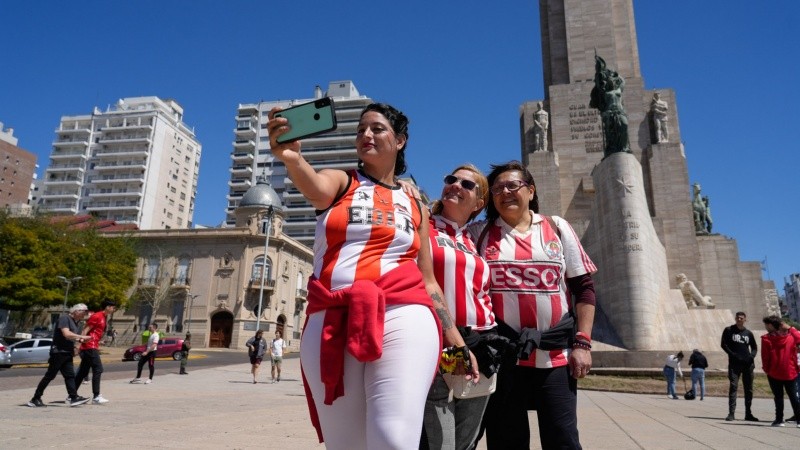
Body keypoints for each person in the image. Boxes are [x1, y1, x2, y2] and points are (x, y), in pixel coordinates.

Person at [268, 102, 476, 449]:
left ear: (400, 141)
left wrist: (455, 339)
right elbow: (315, 186)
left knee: (393, 439)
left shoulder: (415, 205)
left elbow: (428, 280)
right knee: (346, 443)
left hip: (404, 312)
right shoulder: (342, 180)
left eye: (377, 128)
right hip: (332, 317)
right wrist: (291, 158)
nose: (366, 134)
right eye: (361, 129)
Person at [468, 161, 597, 449]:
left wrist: (583, 343)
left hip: (555, 358)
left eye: (512, 185)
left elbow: (584, 289)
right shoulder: (479, 233)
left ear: (530, 190)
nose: (505, 192)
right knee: (506, 441)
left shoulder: (557, 227)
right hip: (504, 361)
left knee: (562, 439)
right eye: (498, 188)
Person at [420, 164, 498, 450]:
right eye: (452, 179)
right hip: (441, 345)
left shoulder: (473, 238)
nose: (456, 185)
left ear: (479, 203)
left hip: (481, 344)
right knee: (441, 443)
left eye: (467, 184)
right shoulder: (422, 223)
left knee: (467, 443)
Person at [27, 304, 92, 407]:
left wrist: (80, 340)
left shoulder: (76, 322)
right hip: (58, 352)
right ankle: (35, 398)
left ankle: (73, 397)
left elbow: (70, 337)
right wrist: (81, 336)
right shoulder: (64, 318)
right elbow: (66, 334)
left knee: (70, 376)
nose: (84, 315)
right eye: (84, 312)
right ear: (76, 311)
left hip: (67, 352)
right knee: (50, 376)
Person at [75, 299, 117, 404]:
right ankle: (96, 396)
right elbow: (85, 330)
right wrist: (78, 345)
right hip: (89, 347)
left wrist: (99, 341)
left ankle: (72, 394)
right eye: (113, 307)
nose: (114, 309)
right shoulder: (97, 316)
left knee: (83, 372)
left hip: (92, 345)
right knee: (98, 369)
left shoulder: (104, 317)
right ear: (107, 307)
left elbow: (94, 332)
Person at [760, 315, 800, 427]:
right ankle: (799, 419)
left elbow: (765, 357)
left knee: (778, 397)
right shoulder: (790, 337)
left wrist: (767, 369)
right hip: (790, 371)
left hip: (774, 372)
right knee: (794, 397)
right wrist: (790, 328)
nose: (766, 327)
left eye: (766, 324)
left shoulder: (766, 339)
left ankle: (779, 420)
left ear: (770, 325)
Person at [721, 311, 759, 422]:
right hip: (734, 364)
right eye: (738, 317)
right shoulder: (729, 330)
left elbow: (754, 347)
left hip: (748, 365)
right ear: (735, 318)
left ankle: (748, 413)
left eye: (741, 318)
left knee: (749, 389)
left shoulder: (748, 333)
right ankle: (731, 413)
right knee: (733, 387)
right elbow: (724, 344)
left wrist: (751, 357)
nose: (739, 319)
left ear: (745, 319)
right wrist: (733, 355)